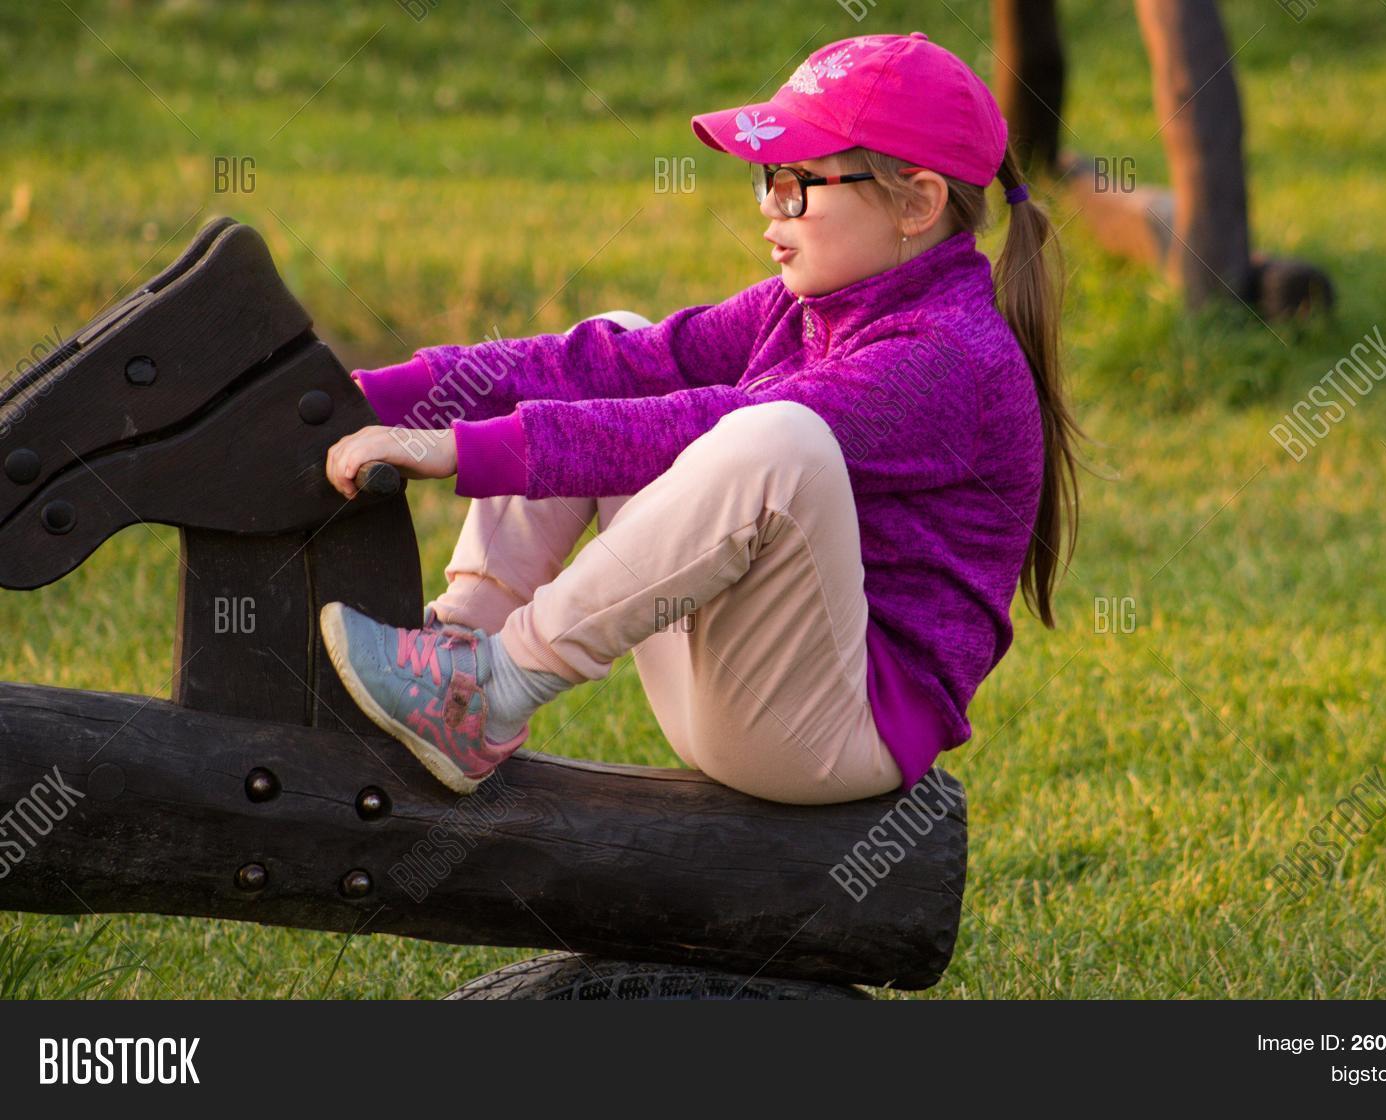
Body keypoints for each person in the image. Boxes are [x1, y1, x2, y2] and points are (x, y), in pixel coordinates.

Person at [320, 31, 1082, 804]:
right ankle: (460, 645)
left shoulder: (947, 358)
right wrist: (368, 396)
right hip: (738, 682)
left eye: (797, 187)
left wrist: (460, 447)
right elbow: (620, 365)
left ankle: (492, 689)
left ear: (916, 202)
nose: (768, 214)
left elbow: (709, 428)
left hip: (834, 735)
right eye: (765, 180)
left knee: (777, 440)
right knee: (620, 348)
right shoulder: (809, 305)